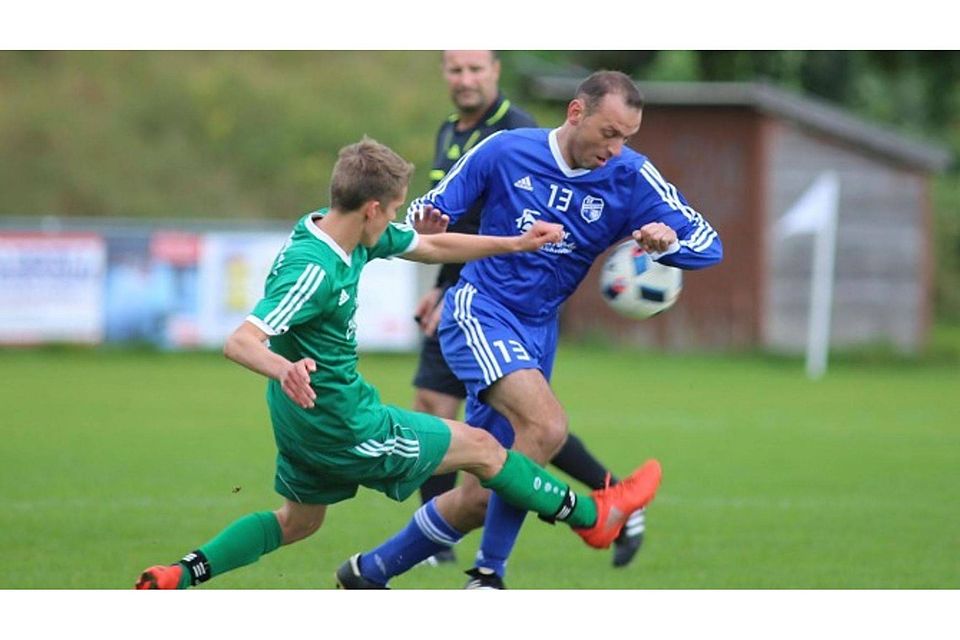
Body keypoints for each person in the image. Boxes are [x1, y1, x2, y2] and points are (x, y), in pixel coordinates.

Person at [133, 137, 663, 590]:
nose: (396, 219)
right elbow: (242, 340)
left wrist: (514, 242)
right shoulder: (314, 269)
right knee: (483, 448)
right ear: (371, 208)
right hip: (342, 421)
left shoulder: (335, 229)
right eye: (393, 209)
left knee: (298, 522)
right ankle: (597, 517)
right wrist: (283, 368)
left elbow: (431, 246)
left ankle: (181, 574)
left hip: (299, 420)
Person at [339, 71, 723, 589]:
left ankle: (368, 571)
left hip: (539, 331)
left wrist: (665, 240)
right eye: (609, 133)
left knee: (482, 492)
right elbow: (430, 211)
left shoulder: (631, 176)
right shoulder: (505, 150)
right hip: (480, 307)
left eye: (626, 137)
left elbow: (708, 242)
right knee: (546, 427)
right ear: (575, 113)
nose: (616, 148)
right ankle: (493, 574)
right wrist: (430, 222)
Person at [413, 50, 647, 570]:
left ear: (496, 71)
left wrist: (451, 283)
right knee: (459, 409)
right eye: (456, 69)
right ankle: (438, 539)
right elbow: (451, 220)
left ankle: (605, 504)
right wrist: (438, 282)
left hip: (497, 298)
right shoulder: (450, 131)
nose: (466, 79)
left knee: (526, 424)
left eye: (476, 69)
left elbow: (517, 229)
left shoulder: (515, 132)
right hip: (463, 288)